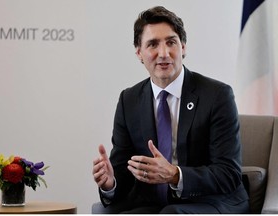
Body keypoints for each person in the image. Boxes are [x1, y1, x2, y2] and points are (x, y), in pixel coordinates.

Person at [92, 6, 249, 214]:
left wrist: (175, 174)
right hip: (154, 202)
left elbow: (228, 173)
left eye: (171, 42)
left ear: (183, 47)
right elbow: (124, 170)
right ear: (139, 52)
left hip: (212, 200)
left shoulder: (217, 95)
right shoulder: (128, 100)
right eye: (153, 44)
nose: (164, 53)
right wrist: (110, 183)